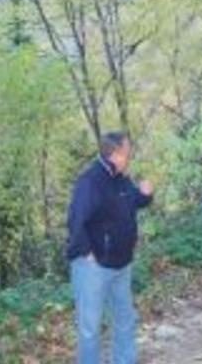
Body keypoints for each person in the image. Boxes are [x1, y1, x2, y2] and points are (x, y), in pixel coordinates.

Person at [66, 132, 154, 364]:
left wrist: (146, 196)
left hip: (121, 263)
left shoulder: (120, 178)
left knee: (125, 319)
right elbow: (76, 220)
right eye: (127, 152)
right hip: (93, 266)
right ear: (114, 154)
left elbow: (132, 201)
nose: (129, 155)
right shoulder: (90, 180)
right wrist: (88, 254)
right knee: (90, 328)